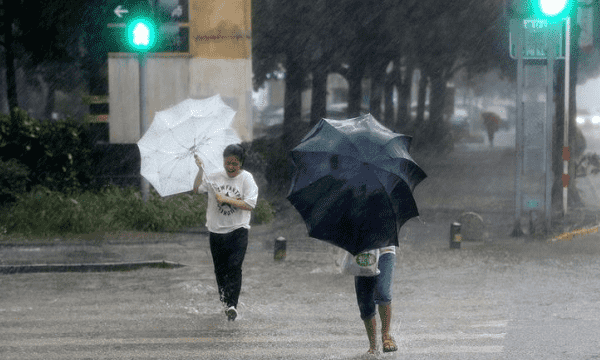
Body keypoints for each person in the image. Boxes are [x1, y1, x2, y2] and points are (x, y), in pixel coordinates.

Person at [193, 144, 259, 321]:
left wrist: (227, 199)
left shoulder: (246, 179)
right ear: (223, 161)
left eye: (235, 164)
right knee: (220, 271)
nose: (230, 167)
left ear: (241, 163)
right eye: (228, 163)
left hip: (238, 230)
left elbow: (250, 204)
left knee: (234, 267)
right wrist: (200, 169)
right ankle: (225, 303)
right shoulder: (213, 176)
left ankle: (232, 305)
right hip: (216, 232)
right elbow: (196, 189)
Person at [354, 244, 398, 355]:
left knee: (383, 292)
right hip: (362, 251)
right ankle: (373, 347)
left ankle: (386, 335)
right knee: (365, 302)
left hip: (386, 249)